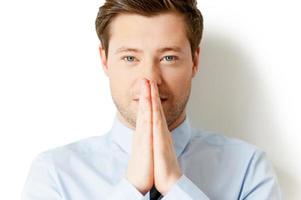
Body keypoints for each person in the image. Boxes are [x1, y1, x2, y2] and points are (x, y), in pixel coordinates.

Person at [21, 0, 282, 199]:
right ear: (105, 61)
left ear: (195, 61)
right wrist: (132, 187)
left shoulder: (248, 169)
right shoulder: (54, 174)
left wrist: (174, 183)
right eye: (130, 58)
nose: (150, 79)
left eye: (168, 57)